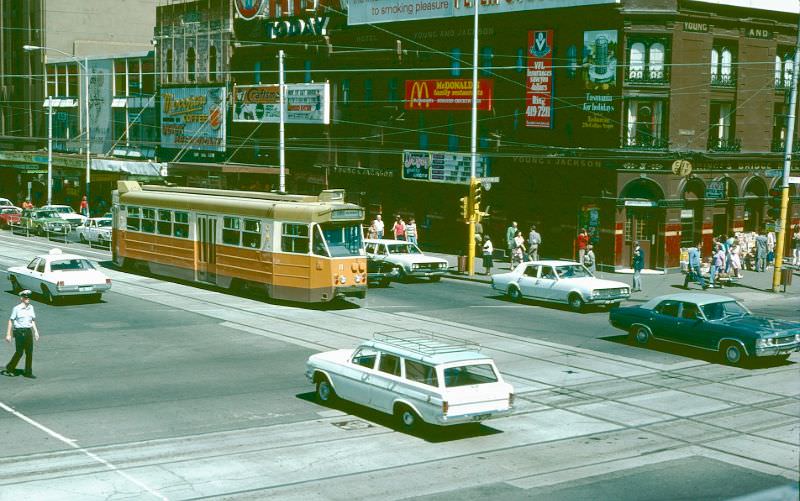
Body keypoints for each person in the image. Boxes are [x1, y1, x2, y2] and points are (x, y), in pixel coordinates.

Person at [4, 290, 39, 378]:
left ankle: (28, 372)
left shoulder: (31, 307)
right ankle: (10, 368)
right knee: (19, 352)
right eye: (26, 298)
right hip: (19, 332)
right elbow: (10, 321)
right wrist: (8, 334)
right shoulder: (16, 309)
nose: (28, 299)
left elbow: (32, 320)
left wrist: (35, 331)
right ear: (22, 298)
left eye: (28, 297)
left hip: (28, 331)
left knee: (29, 352)